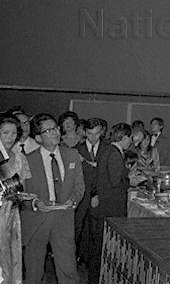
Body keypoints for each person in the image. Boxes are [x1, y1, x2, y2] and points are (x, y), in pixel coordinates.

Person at [20, 113, 84, 284]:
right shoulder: (27, 160)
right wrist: (35, 203)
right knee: (34, 271)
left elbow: (79, 186)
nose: (55, 132)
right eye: (48, 130)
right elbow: (22, 193)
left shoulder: (72, 154)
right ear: (38, 138)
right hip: (37, 219)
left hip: (63, 217)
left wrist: (73, 200)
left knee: (68, 268)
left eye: (55, 128)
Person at [89, 122, 131, 284]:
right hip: (112, 206)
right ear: (124, 137)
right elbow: (115, 181)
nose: (130, 142)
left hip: (104, 205)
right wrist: (129, 180)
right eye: (129, 139)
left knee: (99, 247)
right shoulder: (114, 153)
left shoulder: (106, 150)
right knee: (106, 247)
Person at [0, 113, 30, 284]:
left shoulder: (20, 158)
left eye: (13, 133)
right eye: (5, 133)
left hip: (11, 214)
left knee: (10, 256)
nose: (10, 137)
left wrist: (20, 197)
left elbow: (21, 189)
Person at [74, 118, 103, 266]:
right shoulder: (76, 150)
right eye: (90, 133)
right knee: (78, 227)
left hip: (99, 193)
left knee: (95, 229)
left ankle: (92, 260)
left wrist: (97, 194)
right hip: (81, 194)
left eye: (97, 133)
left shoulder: (107, 149)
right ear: (85, 132)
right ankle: (75, 257)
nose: (93, 137)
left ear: (101, 132)